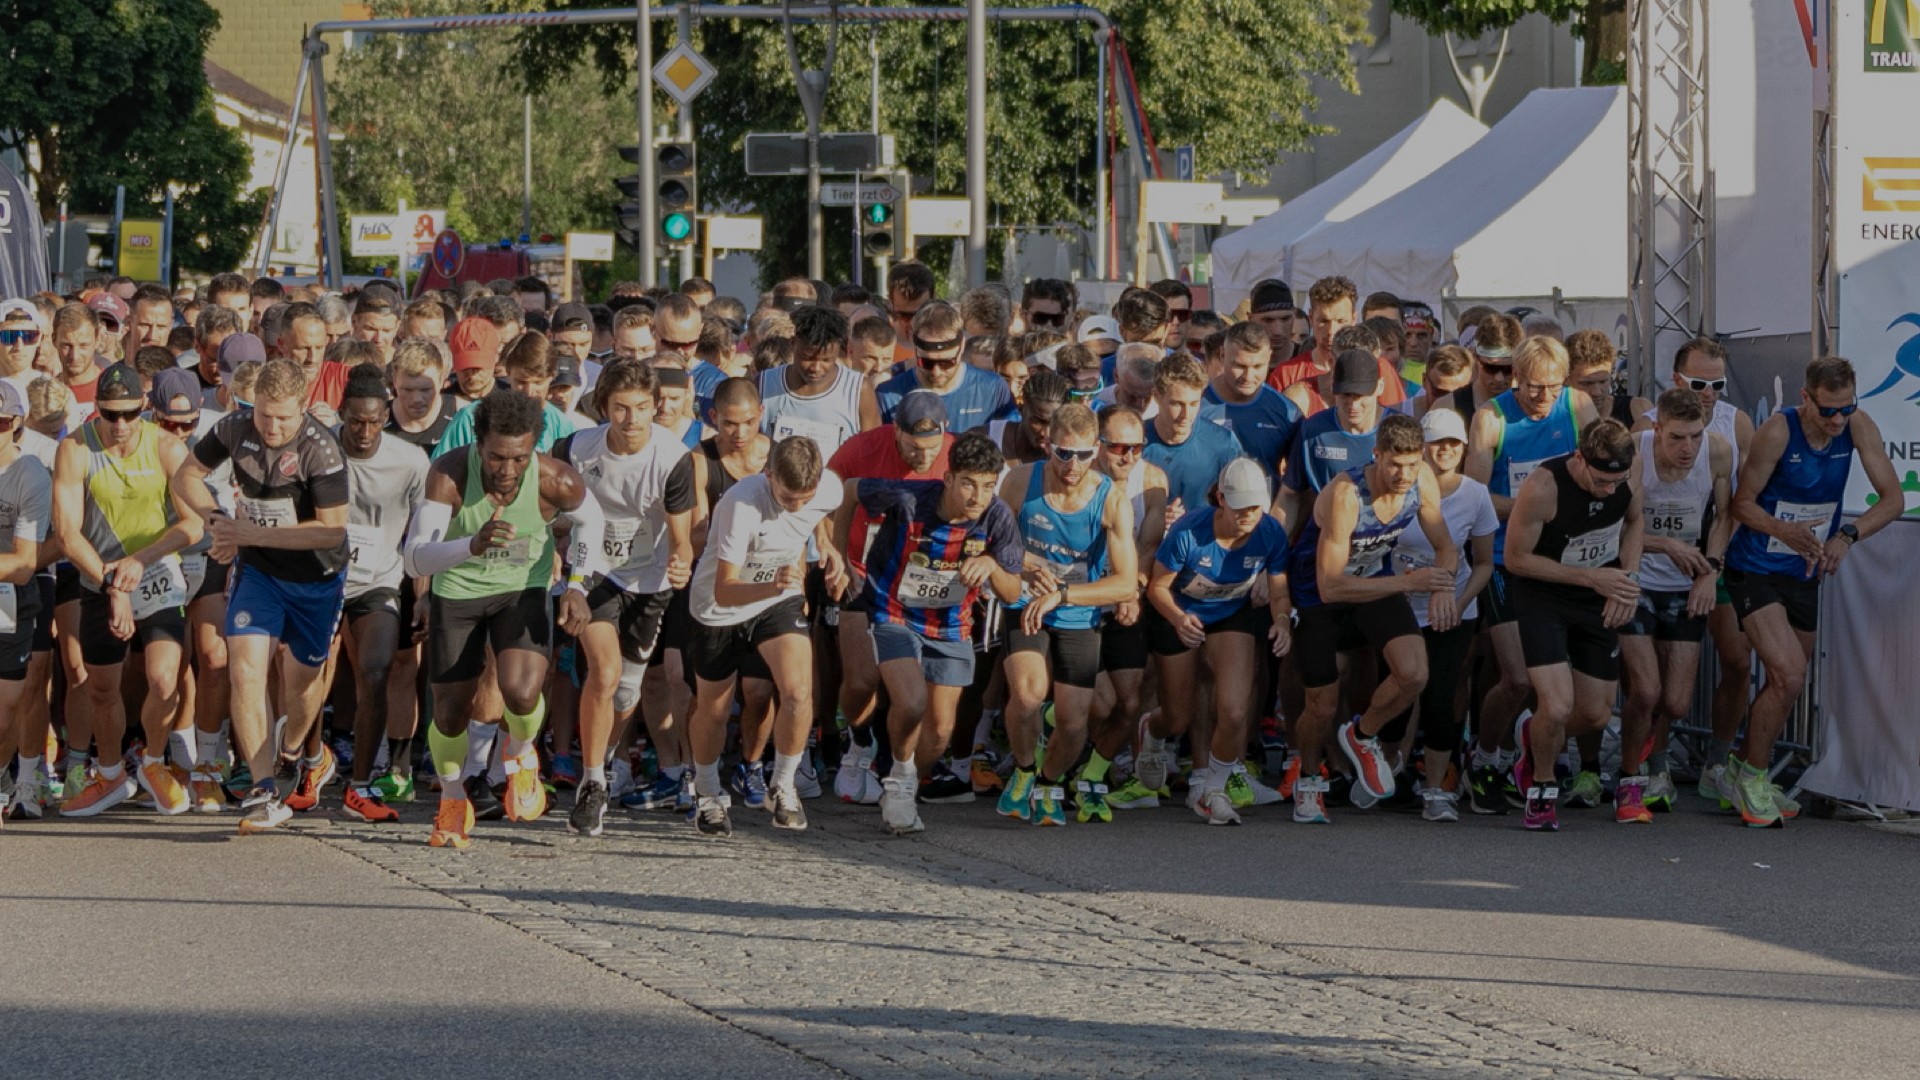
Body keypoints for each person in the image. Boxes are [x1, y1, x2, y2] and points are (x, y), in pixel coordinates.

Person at [401, 390, 605, 849]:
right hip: (457, 591)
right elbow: (414, 561)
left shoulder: (557, 480)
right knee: (452, 712)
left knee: (521, 689)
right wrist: (470, 546)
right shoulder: (449, 475)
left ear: (534, 446)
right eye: (496, 457)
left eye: (519, 457)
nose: (508, 470)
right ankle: (453, 799)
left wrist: (576, 584)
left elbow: (594, 523)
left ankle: (519, 755)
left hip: (521, 590)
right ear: (478, 445)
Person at [171, 358, 350, 834]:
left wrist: (249, 532)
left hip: (316, 578)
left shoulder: (321, 450)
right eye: (265, 415)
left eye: (284, 417)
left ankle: (293, 748)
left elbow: (332, 533)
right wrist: (218, 522)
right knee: (245, 667)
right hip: (260, 574)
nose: (272, 426)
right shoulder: (235, 427)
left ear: (304, 408)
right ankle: (264, 786)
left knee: (302, 682)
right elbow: (185, 476)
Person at [1722, 357, 1902, 827]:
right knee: (1789, 675)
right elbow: (1741, 504)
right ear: (1806, 398)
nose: (1838, 420)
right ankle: (1755, 778)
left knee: (1789, 681)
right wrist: (1785, 529)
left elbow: (1893, 498)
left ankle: (1741, 766)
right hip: (1755, 566)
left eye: (1847, 408)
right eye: (1828, 411)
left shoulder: (1858, 426)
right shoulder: (1778, 433)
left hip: (1803, 570)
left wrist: (1846, 537)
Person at [850, 431, 1024, 835]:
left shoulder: (997, 517)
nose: (977, 495)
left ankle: (903, 780)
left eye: (986, 485)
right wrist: (844, 557)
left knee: (940, 730)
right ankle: (895, 781)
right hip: (893, 611)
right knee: (911, 703)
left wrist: (992, 566)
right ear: (948, 478)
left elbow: (1013, 591)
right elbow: (848, 490)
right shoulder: (911, 499)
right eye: (968, 483)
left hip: (949, 625)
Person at [1287, 414, 1457, 824]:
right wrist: (1407, 582)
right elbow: (1331, 586)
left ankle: (1362, 737)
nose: (1404, 475)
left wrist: (1442, 588)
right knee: (1322, 703)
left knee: (1415, 673)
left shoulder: (1423, 483)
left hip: (1375, 581)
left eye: (1413, 464)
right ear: (1376, 455)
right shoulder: (1347, 495)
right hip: (1318, 593)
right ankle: (1309, 778)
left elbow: (1446, 547)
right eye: (1395, 465)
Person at [51, 364, 198, 817]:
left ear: (145, 409)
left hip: (154, 572)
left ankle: (154, 762)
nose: (119, 425)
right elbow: (67, 533)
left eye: (129, 414)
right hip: (100, 575)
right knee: (101, 687)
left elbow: (193, 524)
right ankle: (112, 774)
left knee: (162, 678)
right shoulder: (75, 448)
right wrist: (113, 581)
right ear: (97, 410)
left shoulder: (168, 447)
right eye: (110, 414)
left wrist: (140, 561)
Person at [556, 360, 695, 837]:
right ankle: (591, 784)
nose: (631, 419)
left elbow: (682, 537)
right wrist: (558, 552)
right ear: (603, 408)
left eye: (641, 408)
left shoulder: (673, 458)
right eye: (620, 408)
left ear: (656, 407)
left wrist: (681, 560)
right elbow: (551, 508)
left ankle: (607, 759)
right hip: (591, 570)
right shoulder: (576, 448)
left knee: (627, 691)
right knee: (605, 671)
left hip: (648, 580)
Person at [1460, 335, 1599, 814]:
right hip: (1505, 559)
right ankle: (1483, 759)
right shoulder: (1492, 419)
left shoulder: (1577, 406)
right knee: (1516, 678)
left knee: (1564, 690)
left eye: (1553, 387)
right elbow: (1475, 497)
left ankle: (1530, 753)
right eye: (1534, 387)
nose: (1544, 398)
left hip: (1562, 563)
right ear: (1515, 378)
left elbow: (1604, 471)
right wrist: (1534, 507)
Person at [683, 436, 847, 837]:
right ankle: (707, 793)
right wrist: (774, 585)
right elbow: (725, 588)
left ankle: (784, 784)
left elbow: (822, 514)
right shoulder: (741, 504)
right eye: (787, 498)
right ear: (768, 475)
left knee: (797, 691)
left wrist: (827, 545)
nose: (795, 507)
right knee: (715, 710)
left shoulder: (827, 489)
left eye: (804, 498)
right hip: (720, 608)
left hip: (777, 599)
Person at [996, 402, 1138, 827]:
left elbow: (1126, 583)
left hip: (1075, 609)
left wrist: (1063, 593)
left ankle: (1047, 779)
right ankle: (1022, 770)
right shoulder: (1020, 483)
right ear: (1048, 446)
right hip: (1025, 601)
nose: (1072, 465)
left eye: (1081, 454)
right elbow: (995, 545)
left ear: (1096, 450)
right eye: (1063, 453)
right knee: (1026, 695)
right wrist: (1024, 567)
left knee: (1075, 720)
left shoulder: (1111, 500)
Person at [1502, 420, 1644, 832]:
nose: (1608, 491)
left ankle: (1533, 733)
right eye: (1600, 481)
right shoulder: (1543, 486)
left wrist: (1627, 581)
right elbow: (1515, 559)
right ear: (1579, 459)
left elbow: (1635, 522)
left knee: (1596, 715)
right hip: (1544, 595)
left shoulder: (1627, 480)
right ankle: (1541, 787)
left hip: (1597, 595)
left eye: (1616, 482)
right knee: (1558, 705)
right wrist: (1591, 578)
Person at [1142, 457, 1293, 825]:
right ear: (1221, 500)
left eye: (1255, 508)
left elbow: (1279, 592)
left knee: (1235, 709)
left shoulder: (1271, 532)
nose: (1248, 516)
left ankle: (1214, 790)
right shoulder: (1190, 532)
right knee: (1179, 716)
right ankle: (1153, 728)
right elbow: (1157, 587)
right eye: (1240, 507)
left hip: (1230, 613)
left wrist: (1283, 622)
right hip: (1180, 609)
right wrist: (1178, 618)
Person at [825, 391, 954, 801]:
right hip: (864, 572)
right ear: (895, 432)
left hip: (923, 577)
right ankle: (859, 741)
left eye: (931, 449)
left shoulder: (957, 454)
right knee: (862, 679)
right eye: (914, 448)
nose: (923, 457)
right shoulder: (861, 448)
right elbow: (824, 502)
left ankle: (902, 771)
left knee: (922, 699)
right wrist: (837, 555)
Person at [1373, 409, 1497, 822]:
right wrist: (1400, 587)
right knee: (1396, 693)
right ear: (1420, 447)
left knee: (1442, 697)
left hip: (1452, 609)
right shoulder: (1397, 488)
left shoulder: (1476, 494)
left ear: (1464, 449)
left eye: (1453, 443)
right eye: (1436, 442)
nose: (1444, 450)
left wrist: (1459, 603)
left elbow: (1482, 563)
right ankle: (1386, 771)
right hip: (1400, 605)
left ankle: (1436, 789)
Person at [1614, 387, 1731, 824]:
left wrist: (1710, 571)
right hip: (1637, 580)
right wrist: (1664, 545)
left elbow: (1725, 516)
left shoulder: (1716, 453)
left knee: (1677, 702)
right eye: (1678, 438)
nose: (1688, 449)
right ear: (1657, 429)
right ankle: (1629, 780)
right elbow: (1614, 523)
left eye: (1695, 437)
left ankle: (1650, 761)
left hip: (1685, 586)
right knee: (1646, 690)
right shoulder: (1635, 455)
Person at [335, 366, 430, 825]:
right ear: (343, 415)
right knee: (306, 676)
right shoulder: (318, 448)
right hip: (320, 579)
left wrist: (423, 595)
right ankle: (301, 765)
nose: (366, 432)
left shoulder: (410, 460)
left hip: (379, 579)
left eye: (374, 421)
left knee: (375, 671)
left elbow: (424, 535)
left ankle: (360, 785)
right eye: (356, 422)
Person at [1084, 406, 1169, 811]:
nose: (1127, 456)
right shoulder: (1079, 477)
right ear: (1098, 445)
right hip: (1081, 598)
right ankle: (1059, 749)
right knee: (1097, 702)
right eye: (1118, 446)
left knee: (1129, 701)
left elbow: (1147, 549)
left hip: (1122, 593)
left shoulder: (1152, 481)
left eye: (1136, 447)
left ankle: (1092, 774)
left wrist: (1131, 591)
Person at [0, 382, 54, 822]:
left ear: (15, 425)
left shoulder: (30, 474)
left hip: (9, 597)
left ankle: (3, 770)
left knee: (6, 710)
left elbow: (22, 564)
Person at [1268, 276, 1407, 408]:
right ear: (1311, 318)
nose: (1331, 331)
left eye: (1341, 321)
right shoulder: (1286, 374)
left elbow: (1394, 425)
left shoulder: (1379, 368)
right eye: (1324, 321)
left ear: (1354, 319)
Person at [875, 301, 1014, 434]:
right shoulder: (888, 395)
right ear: (915, 349)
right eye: (926, 362)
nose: (936, 371)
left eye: (946, 363)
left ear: (961, 347)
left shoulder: (993, 389)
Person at [759, 304, 876, 458]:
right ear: (793, 343)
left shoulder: (858, 389)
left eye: (826, 360)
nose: (816, 368)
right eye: (807, 357)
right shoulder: (764, 384)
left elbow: (873, 452)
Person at [1143, 353, 1243, 517]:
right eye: (1177, 404)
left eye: (1194, 403)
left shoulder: (1223, 444)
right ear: (1156, 397)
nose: (1186, 414)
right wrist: (1154, 518)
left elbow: (1239, 505)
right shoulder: (1132, 445)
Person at [1202, 321, 1301, 481]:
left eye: (1257, 367)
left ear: (1269, 357)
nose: (1248, 377)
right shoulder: (1194, 404)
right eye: (1240, 366)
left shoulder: (1287, 412)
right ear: (1222, 355)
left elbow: (1298, 483)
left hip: (1264, 505)